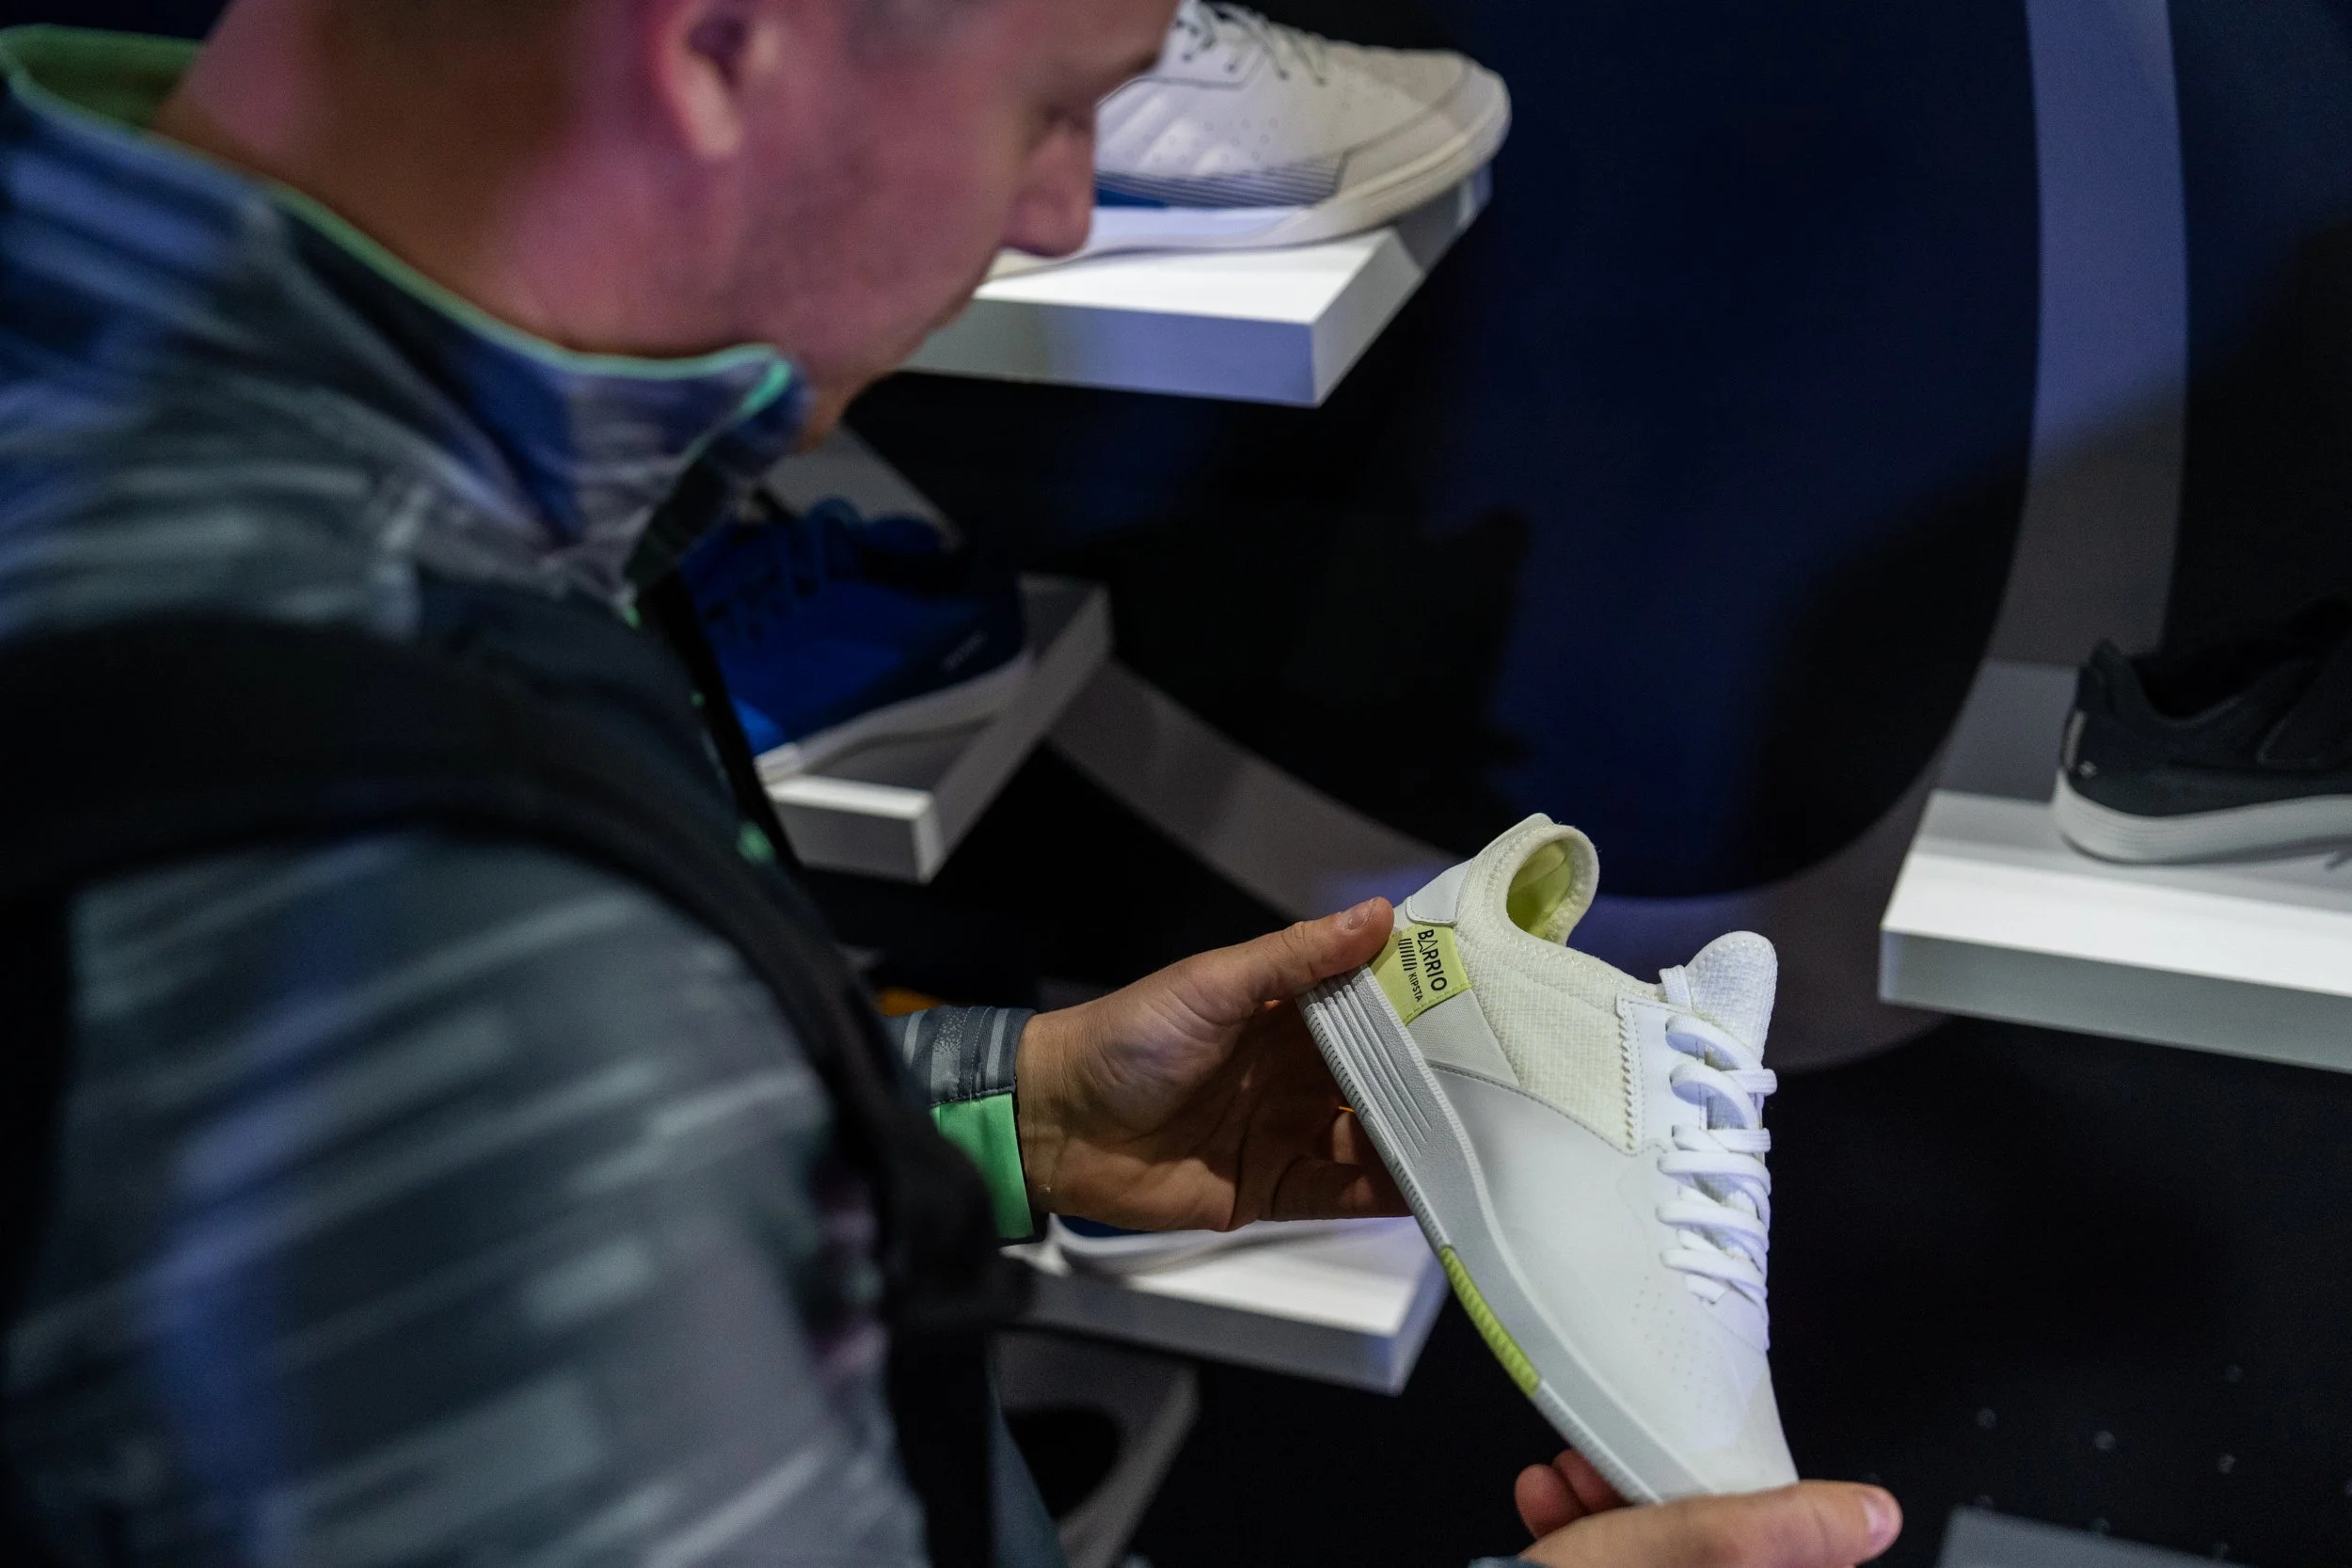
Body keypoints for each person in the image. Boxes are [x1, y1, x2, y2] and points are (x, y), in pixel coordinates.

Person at [0, 1, 1903, 1564]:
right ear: (719, 43)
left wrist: (1010, 1113)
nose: (1063, 213)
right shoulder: (421, 895)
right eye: (1054, 108)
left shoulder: (201, 456)